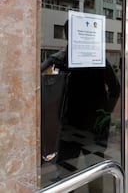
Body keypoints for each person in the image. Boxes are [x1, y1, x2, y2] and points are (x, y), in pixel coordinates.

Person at [41, 20, 120, 163]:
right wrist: (105, 112)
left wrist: (104, 113)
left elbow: (116, 88)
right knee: (81, 164)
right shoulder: (62, 59)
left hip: (81, 123)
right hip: (75, 124)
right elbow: (115, 88)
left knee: (87, 165)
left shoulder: (66, 58)